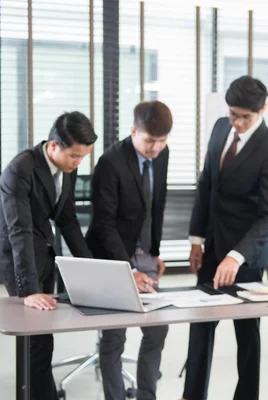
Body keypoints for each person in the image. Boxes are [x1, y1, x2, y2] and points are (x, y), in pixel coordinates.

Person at [183, 75, 268, 400]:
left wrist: (236, 255)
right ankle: (192, 394)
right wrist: (196, 239)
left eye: (246, 117)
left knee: (247, 334)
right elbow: (206, 185)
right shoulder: (218, 128)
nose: (238, 122)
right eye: (233, 115)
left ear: (263, 110)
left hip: (246, 256)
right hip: (212, 245)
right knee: (200, 326)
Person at [0, 111, 96, 400]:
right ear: (54, 145)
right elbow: (19, 231)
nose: (79, 163)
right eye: (75, 156)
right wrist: (28, 290)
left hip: (44, 252)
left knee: (44, 336)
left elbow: (66, 218)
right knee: (34, 339)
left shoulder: (67, 167)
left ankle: (41, 393)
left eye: (83, 157)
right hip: (19, 258)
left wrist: (90, 267)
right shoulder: (20, 169)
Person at [85, 100, 172, 400]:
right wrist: (128, 270)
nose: (156, 149)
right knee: (115, 335)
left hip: (144, 253)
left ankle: (147, 394)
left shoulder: (162, 154)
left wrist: (155, 250)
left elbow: (156, 204)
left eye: (162, 142)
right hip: (113, 256)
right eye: (150, 141)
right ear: (134, 131)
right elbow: (103, 225)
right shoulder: (111, 163)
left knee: (157, 328)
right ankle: (116, 396)